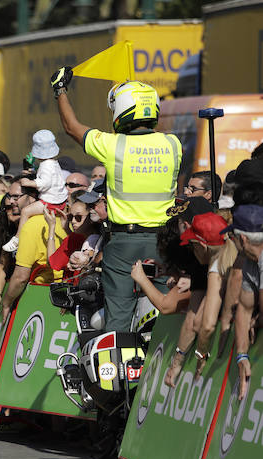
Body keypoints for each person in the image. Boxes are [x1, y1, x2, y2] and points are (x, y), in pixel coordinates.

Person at [52, 66, 182, 332]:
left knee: (119, 320)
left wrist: (60, 90)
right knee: (165, 315)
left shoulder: (112, 145)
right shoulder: (173, 144)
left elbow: (71, 127)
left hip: (124, 244)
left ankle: (116, 370)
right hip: (164, 242)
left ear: (121, 111)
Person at [222, 204, 263, 400]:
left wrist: (258, 319)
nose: (229, 241)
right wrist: (242, 356)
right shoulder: (250, 262)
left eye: (231, 237)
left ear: (243, 239)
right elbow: (245, 310)